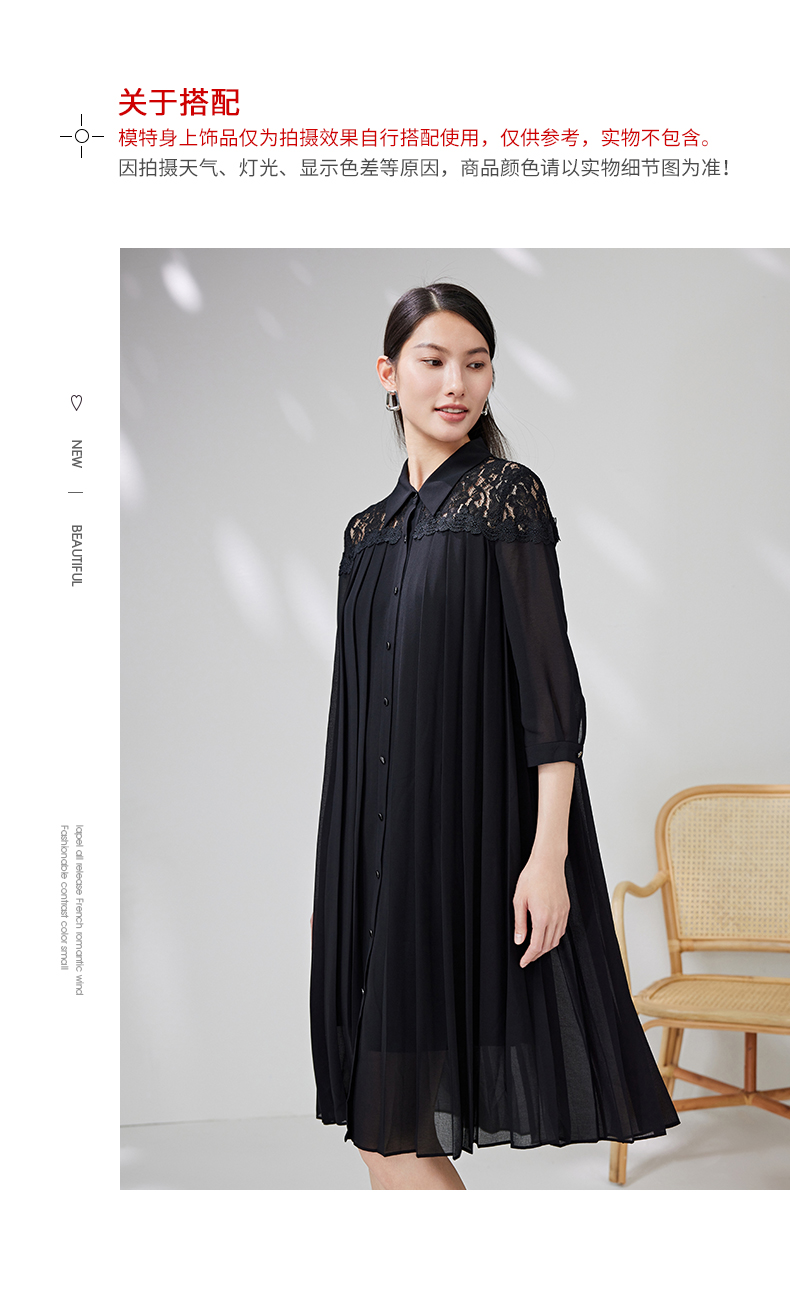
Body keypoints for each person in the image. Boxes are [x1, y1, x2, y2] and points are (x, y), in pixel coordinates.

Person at [309, 282, 679, 1191]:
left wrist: (548, 857)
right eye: (433, 361)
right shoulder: (366, 533)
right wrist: (345, 868)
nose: (456, 385)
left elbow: (551, 699)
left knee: (394, 1125)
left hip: (464, 853)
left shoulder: (506, 498)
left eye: (475, 365)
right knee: (380, 1122)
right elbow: (354, 716)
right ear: (388, 374)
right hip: (371, 862)